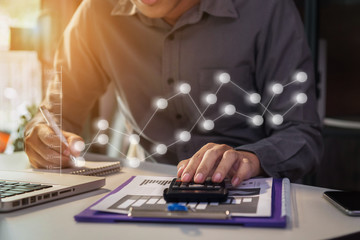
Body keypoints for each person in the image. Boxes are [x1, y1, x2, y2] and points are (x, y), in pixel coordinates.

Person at [25, 0, 323, 186]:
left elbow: (302, 134)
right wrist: (44, 138)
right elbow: (56, 117)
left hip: (242, 191)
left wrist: (249, 159)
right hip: (138, 191)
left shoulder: (266, 9)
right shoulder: (95, 13)